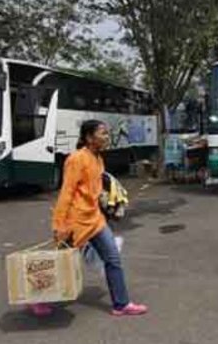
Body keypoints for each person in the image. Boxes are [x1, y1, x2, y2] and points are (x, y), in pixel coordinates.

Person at [52, 119, 148, 317]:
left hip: (95, 219)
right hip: (76, 222)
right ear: (89, 137)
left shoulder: (98, 159)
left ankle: (121, 304)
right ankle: (38, 300)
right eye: (102, 133)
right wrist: (59, 224)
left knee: (113, 258)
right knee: (61, 264)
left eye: (106, 133)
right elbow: (66, 193)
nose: (106, 137)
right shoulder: (76, 159)